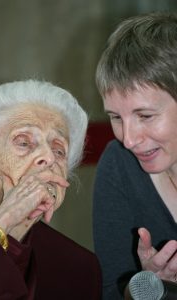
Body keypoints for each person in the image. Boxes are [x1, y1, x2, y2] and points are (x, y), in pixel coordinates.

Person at [0, 79, 102, 299]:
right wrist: (1, 224)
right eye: (24, 143)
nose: (49, 157)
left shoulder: (80, 268)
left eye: (59, 150)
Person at [93, 11, 177, 299]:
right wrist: (147, 288)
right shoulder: (119, 164)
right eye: (116, 117)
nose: (128, 139)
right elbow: (111, 292)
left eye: (145, 115)